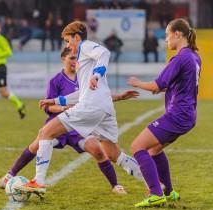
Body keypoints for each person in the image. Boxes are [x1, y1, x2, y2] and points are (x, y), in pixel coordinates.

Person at [19, 21, 143, 194]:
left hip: (91, 107)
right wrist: (54, 101)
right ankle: (155, 185)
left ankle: (38, 181)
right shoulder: (84, 61)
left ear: (77, 37)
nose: (67, 45)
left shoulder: (85, 46)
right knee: (114, 154)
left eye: (68, 41)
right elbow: (82, 93)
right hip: (105, 108)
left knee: (46, 133)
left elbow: (105, 53)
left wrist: (97, 75)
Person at [127, 18, 201, 207]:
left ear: (178, 34)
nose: (166, 40)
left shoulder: (180, 58)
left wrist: (137, 83)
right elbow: (177, 84)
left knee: (137, 147)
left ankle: (155, 193)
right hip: (188, 114)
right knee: (154, 150)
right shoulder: (194, 55)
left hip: (178, 114)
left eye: (168, 35)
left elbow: (157, 85)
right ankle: (168, 192)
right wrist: (160, 88)